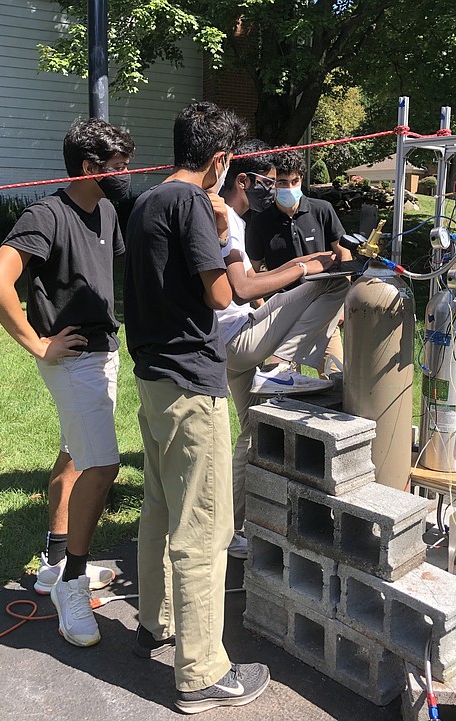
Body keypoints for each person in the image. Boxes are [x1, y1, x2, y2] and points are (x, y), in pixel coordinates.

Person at [123, 101, 270, 714]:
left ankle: (155, 623)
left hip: (154, 380)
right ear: (218, 160)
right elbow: (222, 294)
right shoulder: (190, 205)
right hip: (191, 384)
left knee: (159, 511)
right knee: (204, 530)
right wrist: (223, 235)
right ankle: (203, 674)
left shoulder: (145, 201)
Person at [0, 118, 135, 648]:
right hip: (71, 359)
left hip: (103, 351)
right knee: (103, 464)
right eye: (117, 167)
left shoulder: (109, 211)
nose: (126, 174)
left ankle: (53, 561)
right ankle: (71, 584)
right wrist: (37, 342)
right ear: (89, 168)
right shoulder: (46, 214)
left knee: (74, 455)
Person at [218, 140, 349, 559]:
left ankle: (231, 529)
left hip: (228, 342)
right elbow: (246, 285)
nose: (278, 189)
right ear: (248, 181)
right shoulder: (238, 222)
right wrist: (306, 265)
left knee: (242, 438)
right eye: (272, 183)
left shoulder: (222, 214)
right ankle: (287, 363)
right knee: (332, 281)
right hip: (245, 336)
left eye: (287, 182)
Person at [246, 149, 351, 377]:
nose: (290, 187)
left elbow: (343, 253)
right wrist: (264, 309)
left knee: (337, 378)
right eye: (282, 182)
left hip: (324, 309)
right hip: (284, 312)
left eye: (295, 181)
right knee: (282, 383)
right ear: (273, 183)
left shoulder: (322, 210)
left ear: (302, 180)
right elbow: (250, 274)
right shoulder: (260, 222)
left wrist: (343, 302)